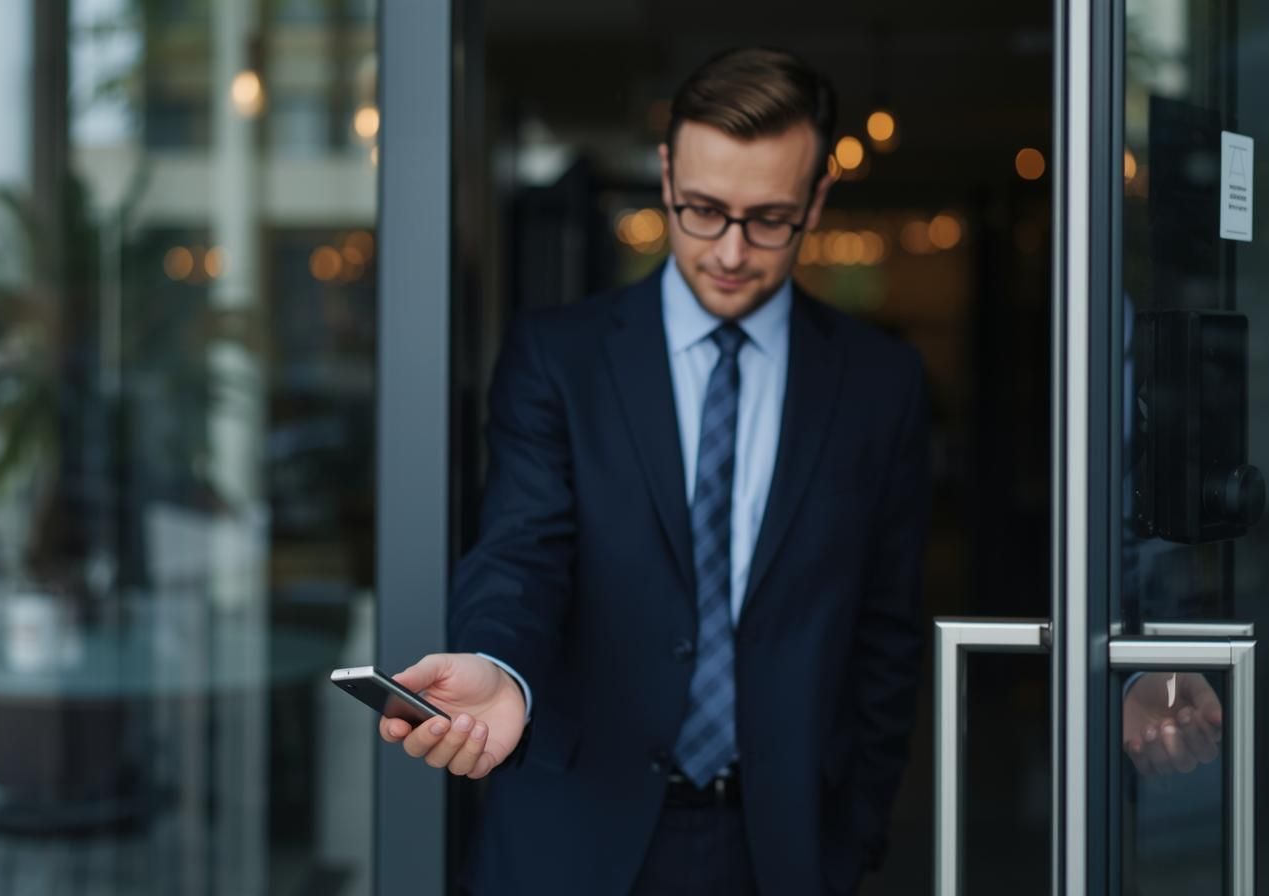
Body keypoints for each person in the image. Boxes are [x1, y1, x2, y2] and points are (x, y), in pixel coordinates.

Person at [379, 47, 929, 895]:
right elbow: (522, 551)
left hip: (785, 846)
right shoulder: (557, 358)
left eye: (770, 217)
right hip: (574, 834)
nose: (732, 251)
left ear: (818, 198)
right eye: (702, 209)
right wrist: (502, 664)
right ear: (667, 172)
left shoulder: (880, 385)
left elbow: (886, 635)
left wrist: (853, 837)